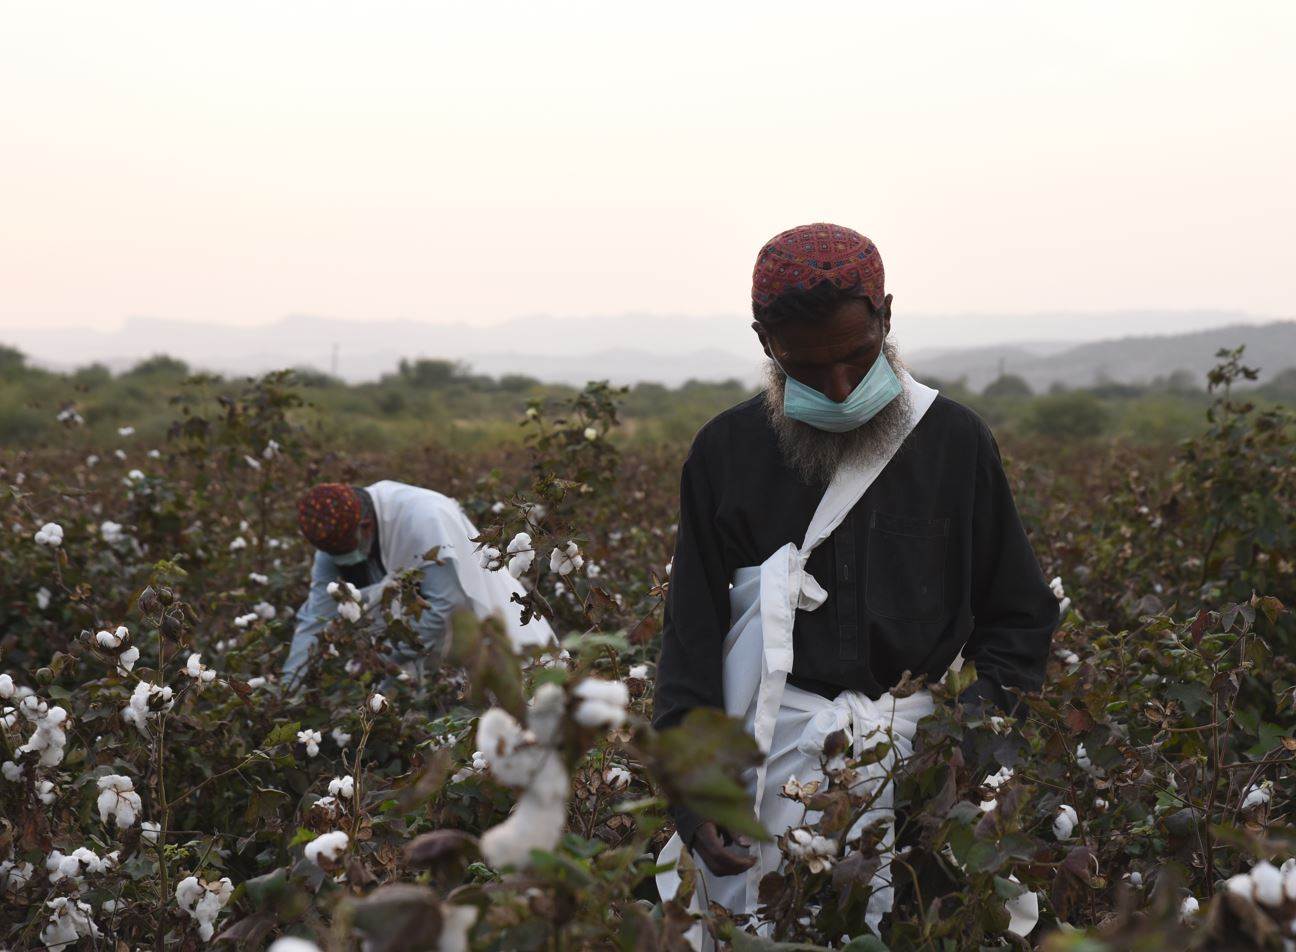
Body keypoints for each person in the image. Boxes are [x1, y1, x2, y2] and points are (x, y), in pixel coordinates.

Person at [652, 223, 1058, 936]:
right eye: (805, 367)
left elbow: (1019, 618)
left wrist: (963, 751)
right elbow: (692, 639)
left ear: (886, 317)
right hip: (780, 774)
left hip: (928, 771)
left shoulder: (954, 442)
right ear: (764, 343)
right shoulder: (726, 454)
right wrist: (693, 788)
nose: (838, 389)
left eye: (856, 358)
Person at [283, 480, 553, 687]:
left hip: (484, 629)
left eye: (347, 551)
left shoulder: (423, 517)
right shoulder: (335, 536)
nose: (344, 560)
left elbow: (447, 607)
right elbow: (316, 617)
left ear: (365, 526)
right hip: (430, 662)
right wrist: (287, 688)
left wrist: (382, 663)